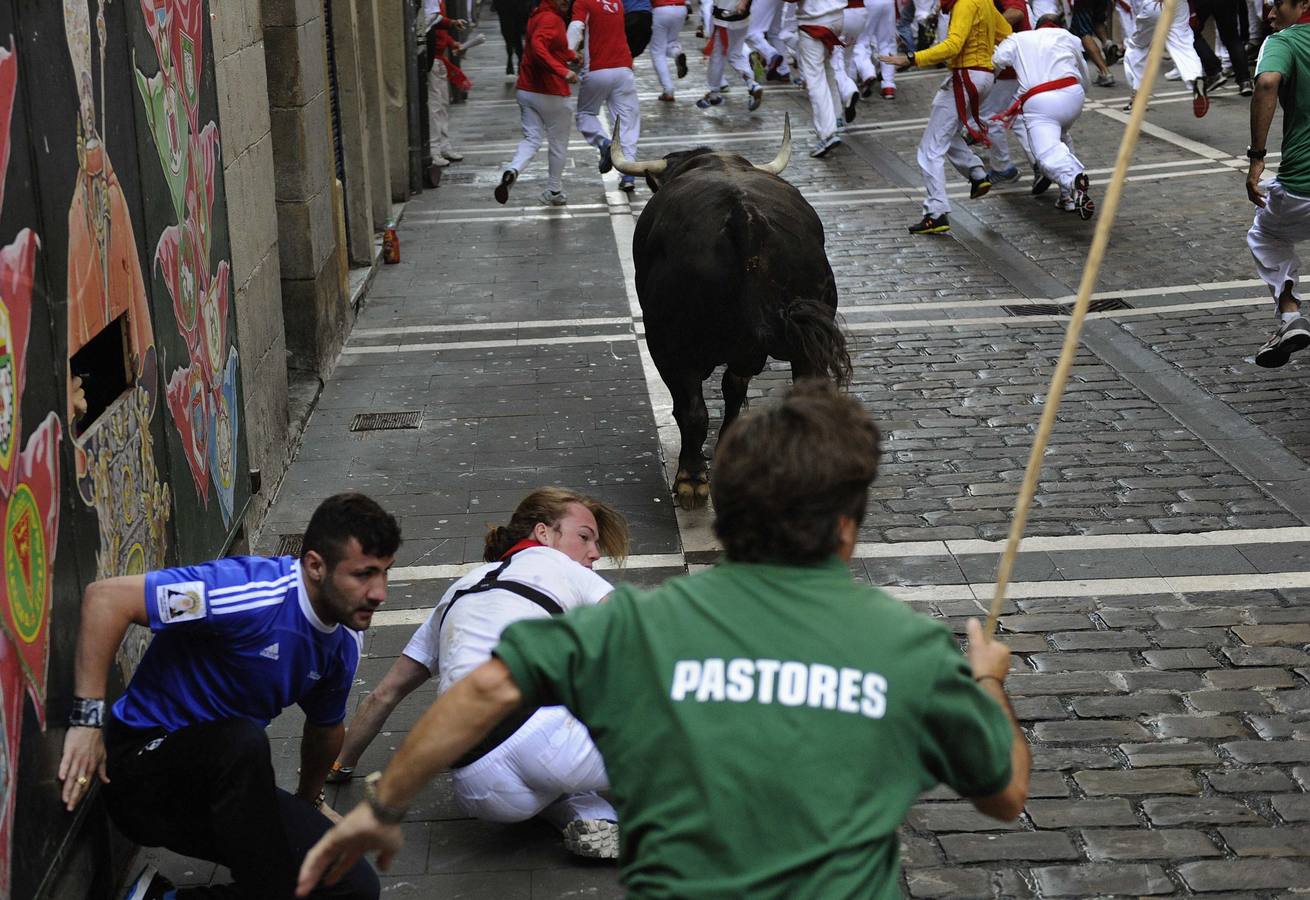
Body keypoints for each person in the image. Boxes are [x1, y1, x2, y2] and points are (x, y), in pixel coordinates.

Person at [296, 380, 1030, 899]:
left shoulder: (638, 626)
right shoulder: (910, 651)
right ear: (846, 528)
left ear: (728, 519)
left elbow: (485, 685)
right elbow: (1004, 795)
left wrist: (383, 804)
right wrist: (988, 677)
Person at [59, 493, 401, 900]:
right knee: (243, 743)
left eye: (385, 573)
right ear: (314, 566)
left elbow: (325, 728)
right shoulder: (245, 593)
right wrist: (86, 721)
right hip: (143, 774)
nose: (379, 592)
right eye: (363, 575)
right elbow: (107, 599)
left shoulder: (344, 641)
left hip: (226, 790)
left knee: (352, 885)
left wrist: (308, 801)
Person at [324, 488, 630, 859]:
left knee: (557, 771)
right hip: (545, 741)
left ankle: (592, 815)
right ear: (543, 534)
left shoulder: (459, 590)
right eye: (585, 537)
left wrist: (339, 765)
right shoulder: (558, 564)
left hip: (479, 783)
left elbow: (383, 695)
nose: (594, 552)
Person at [883, 0, 1013, 234]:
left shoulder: (964, 4)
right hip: (980, 77)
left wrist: (912, 58)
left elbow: (953, 45)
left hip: (967, 76)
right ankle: (976, 173)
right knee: (946, 130)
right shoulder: (983, 2)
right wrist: (991, 64)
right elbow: (1006, 33)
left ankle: (936, 212)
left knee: (930, 148)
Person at [1248, 0, 1310, 367]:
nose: (1268, 15)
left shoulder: (1283, 42)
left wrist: (1257, 158)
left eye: (1276, 5)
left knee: (1265, 235)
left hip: (1303, 183)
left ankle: (1290, 316)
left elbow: (1267, 82)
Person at [991, 14, 1095, 217]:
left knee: (1046, 153)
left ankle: (1073, 178)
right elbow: (1084, 72)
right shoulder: (1067, 36)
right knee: (1062, 137)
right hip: (1073, 95)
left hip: (1040, 103)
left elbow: (997, 60)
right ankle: (1067, 197)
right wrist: (1080, 94)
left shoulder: (1018, 39)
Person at [496, 0, 580, 206]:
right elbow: (538, 48)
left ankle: (513, 169)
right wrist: (563, 71)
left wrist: (571, 55)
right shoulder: (552, 19)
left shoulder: (537, 16)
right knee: (558, 144)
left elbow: (549, 48)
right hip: (551, 92)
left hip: (526, 90)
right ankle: (554, 190)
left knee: (531, 139)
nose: (566, 2)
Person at [571, 0, 645, 192]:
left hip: (597, 69)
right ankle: (628, 174)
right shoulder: (617, 2)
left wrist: (567, 54)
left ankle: (604, 143)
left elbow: (576, 27)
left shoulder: (583, 2)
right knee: (627, 122)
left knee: (585, 114)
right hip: (623, 68)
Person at [1122, 0, 1210, 115]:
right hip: (1179, 5)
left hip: (1155, 5)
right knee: (1183, 45)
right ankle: (1195, 76)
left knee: (1138, 46)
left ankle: (1138, 97)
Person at [791, 0, 851, 156]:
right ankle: (836, 117)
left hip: (814, 20)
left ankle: (827, 133)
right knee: (827, 68)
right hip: (837, 16)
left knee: (815, 79)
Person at [423, 0, 470, 187]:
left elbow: (437, 24)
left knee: (442, 103)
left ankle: (443, 145)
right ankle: (435, 149)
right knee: (435, 104)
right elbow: (429, 23)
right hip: (433, 57)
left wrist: (451, 32)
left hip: (439, 56)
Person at [699, 0, 767, 110]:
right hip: (741, 17)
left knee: (717, 56)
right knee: (735, 55)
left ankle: (714, 94)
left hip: (725, 18)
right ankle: (752, 84)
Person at [650, 0, 691, 99]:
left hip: (660, 9)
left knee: (658, 52)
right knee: (671, 42)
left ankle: (668, 89)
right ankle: (677, 53)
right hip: (680, 8)